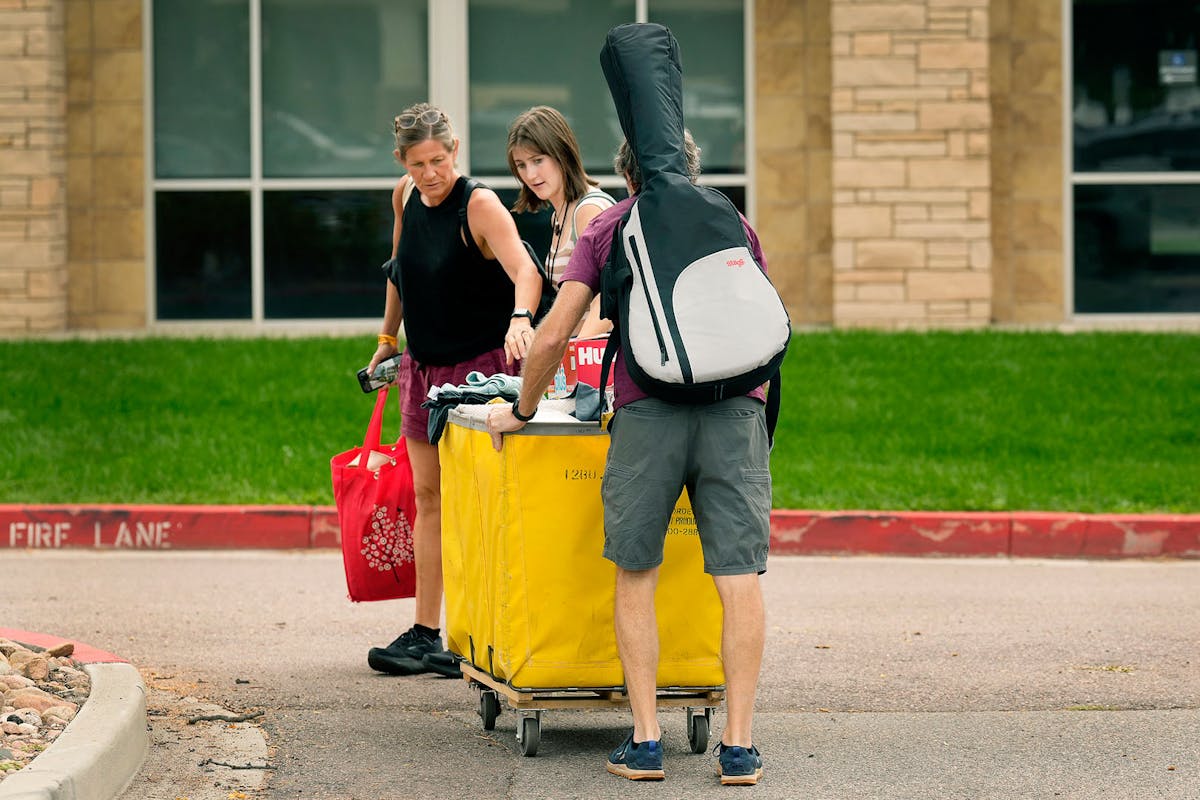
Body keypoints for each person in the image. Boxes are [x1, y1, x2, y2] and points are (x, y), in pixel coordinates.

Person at [486, 133, 771, 786]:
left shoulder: (609, 225)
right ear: (691, 168)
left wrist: (523, 408)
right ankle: (739, 748)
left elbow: (556, 330)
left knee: (637, 570)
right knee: (739, 576)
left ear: (625, 173)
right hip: (735, 410)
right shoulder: (730, 219)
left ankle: (644, 742)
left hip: (648, 414)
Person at [366, 102, 543, 679]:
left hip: (478, 374)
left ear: (456, 151)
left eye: (438, 160)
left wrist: (521, 318)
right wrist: (388, 339)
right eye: (418, 164)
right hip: (422, 369)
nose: (430, 174)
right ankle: (425, 633)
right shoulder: (404, 196)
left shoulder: (480, 203)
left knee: (486, 502)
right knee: (429, 499)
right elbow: (400, 270)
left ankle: (493, 631)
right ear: (403, 163)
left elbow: (528, 270)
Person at [505, 106, 615, 338]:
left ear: (562, 153)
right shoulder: (559, 214)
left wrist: (578, 353)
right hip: (575, 358)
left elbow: (609, 296)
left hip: (597, 359)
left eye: (538, 160)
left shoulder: (589, 209)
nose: (530, 175)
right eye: (521, 165)